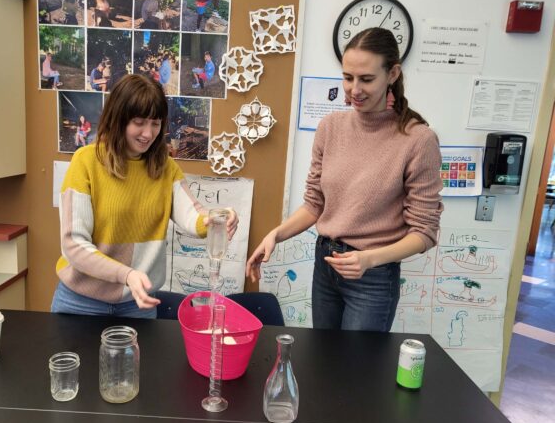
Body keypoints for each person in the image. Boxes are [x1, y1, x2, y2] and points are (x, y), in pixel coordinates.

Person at [246, 27, 443, 332]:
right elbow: (315, 205)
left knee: (354, 370)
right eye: (348, 77)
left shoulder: (418, 139)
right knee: (323, 359)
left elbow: (424, 232)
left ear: (392, 74)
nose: (354, 90)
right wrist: (275, 235)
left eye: (366, 79)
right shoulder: (331, 126)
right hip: (326, 263)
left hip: (373, 276)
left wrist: (369, 259)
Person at [52, 74, 238, 317]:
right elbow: (73, 245)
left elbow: (192, 215)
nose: (148, 134)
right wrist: (126, 275)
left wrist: (216, 218)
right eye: (139, 122)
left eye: (156, 123)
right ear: (117, 119)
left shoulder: (165, 167)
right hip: (81, 301)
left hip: (136, 305)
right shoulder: (86, 162)